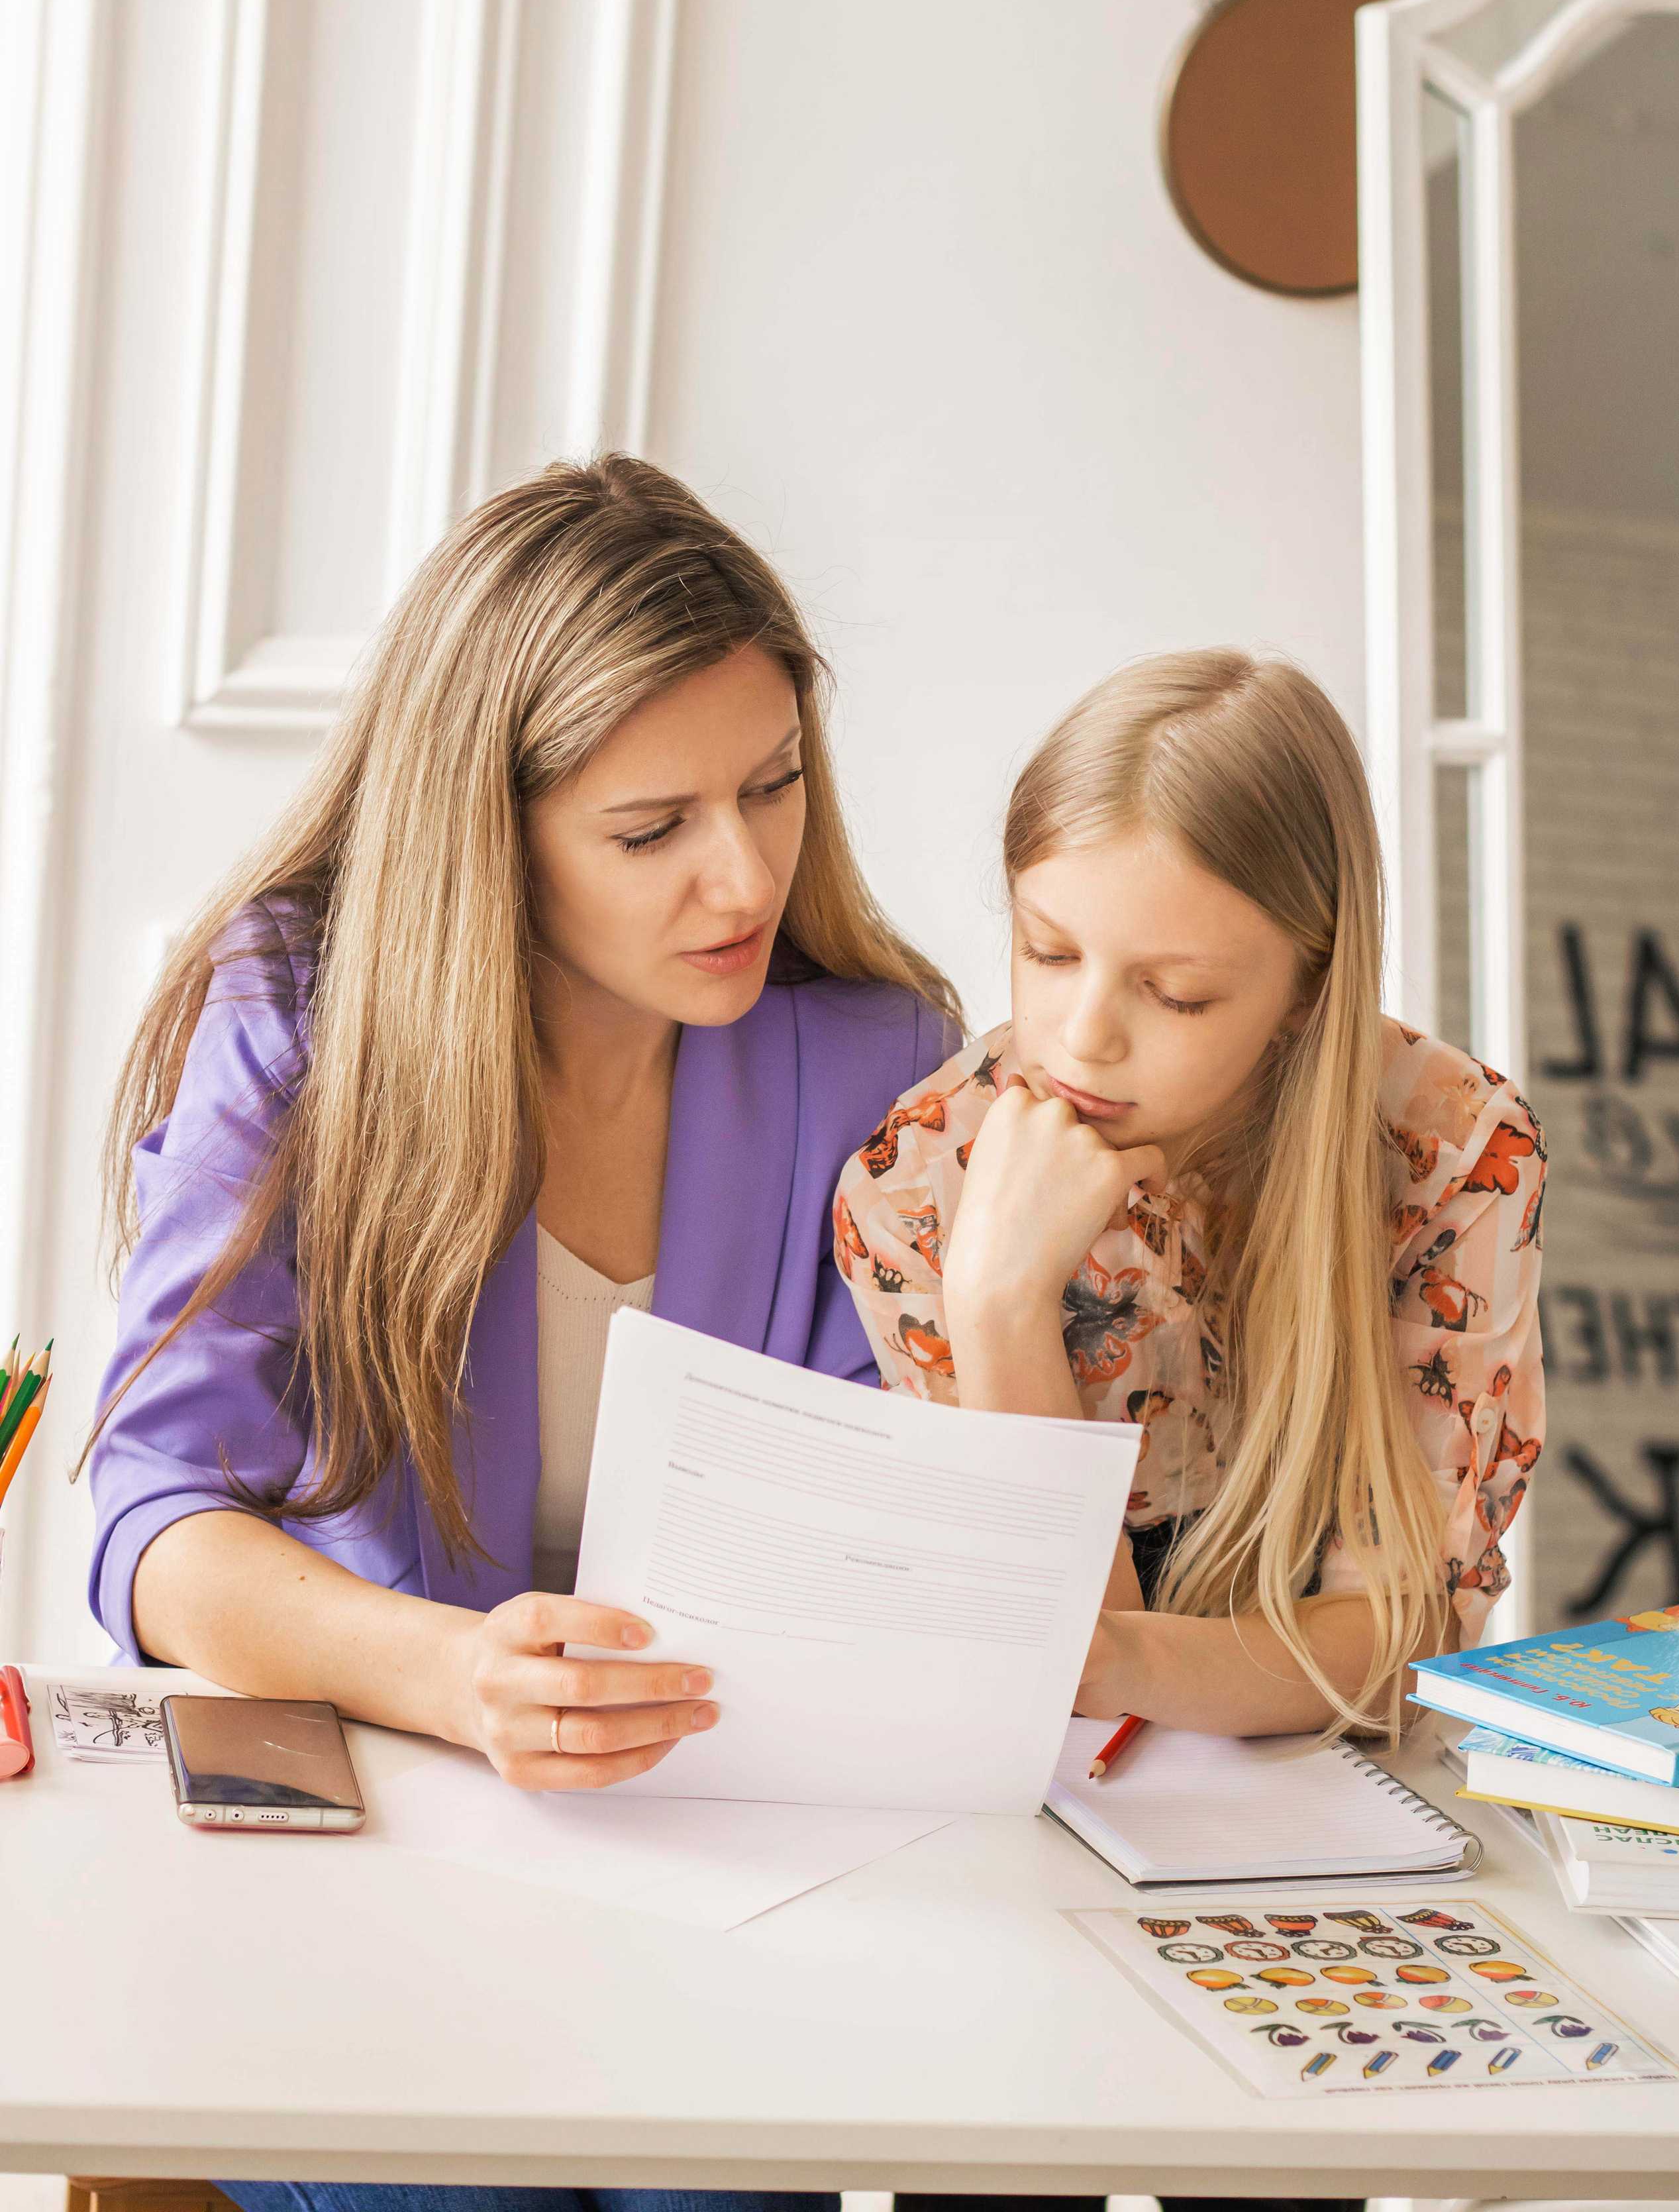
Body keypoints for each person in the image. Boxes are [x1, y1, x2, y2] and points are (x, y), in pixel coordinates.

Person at [87, 453, 960, 2212]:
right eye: (654, 830)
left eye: (775, 788)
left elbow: (906, 1534)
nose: (744, 877)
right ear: (491, 829)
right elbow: (155, 1523)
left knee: (714, 2191)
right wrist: (452, 1679)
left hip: (720, 1865)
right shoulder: (295, 1030)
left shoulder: (870, 1055)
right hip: (376, 1841)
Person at [835, 647, 1547, 1746]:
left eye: (1174, 993)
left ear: (1310, 986)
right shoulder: (920, 1176)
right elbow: (1055, 1690)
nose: (1083, 1037)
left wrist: (1121, 1655)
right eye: (1049, 952)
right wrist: (997, 1302)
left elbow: (1401, 1645)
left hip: (1335, 1805)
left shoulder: (1451, 1152)